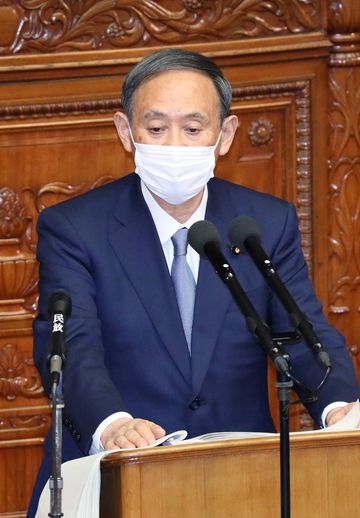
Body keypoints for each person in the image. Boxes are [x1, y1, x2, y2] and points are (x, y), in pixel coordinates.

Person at [27, 48, 359, 516]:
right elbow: (72, 346)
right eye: (156, 128)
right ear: (126, 131)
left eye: (194, 128)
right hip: (118, 476)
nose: (175, 145)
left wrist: (339, 407)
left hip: (244, 478)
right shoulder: (74, 228)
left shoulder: (263, 222)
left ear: (225, 135)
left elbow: (302, 332)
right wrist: (113, 425)